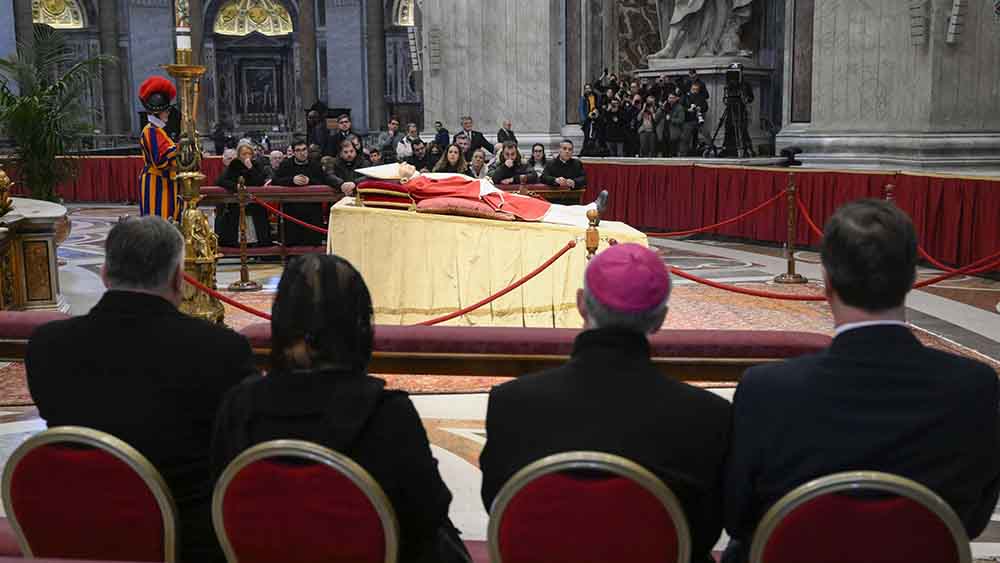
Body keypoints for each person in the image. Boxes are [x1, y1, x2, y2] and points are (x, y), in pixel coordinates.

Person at [721, 199, 1000, 563]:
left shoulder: (767, 390)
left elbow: (738, 516)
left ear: (826, 282)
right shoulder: (974, 388)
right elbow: (971, 520)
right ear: (913, 279)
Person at [479, 243, 730, 563]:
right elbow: (705, 531)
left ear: (581, 304)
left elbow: (499, 508)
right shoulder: (707, 415)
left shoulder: (511, 403)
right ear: (660, 320)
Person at [211, 254, 470, 563]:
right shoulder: (388, 415)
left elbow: (219, 506)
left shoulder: (239, 406)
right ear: (357, 324)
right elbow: (429, 513)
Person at [26, 216, 255, 562]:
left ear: (104, 274)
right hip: (186, 542)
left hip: (78, 536)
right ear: (179, 279)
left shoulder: (47, 346)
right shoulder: (221, 350)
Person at [362, 162, 608, 228]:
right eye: (402, 166)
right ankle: (586, 214)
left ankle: (587, 211)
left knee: (532, 203)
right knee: (532, 208)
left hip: (481, 190)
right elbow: (451, 189)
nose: (405, 163)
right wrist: (480, 187)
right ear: (403, 180)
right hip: (482, 196)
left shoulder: (419, 178)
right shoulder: (417, 185)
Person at [214, 139, 273, 247]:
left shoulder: (256, 164)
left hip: (254, 202)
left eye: (249, 153)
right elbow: (221, 181)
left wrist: (251, 168)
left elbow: (260, 181)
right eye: (244, 154)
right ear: (239, 155)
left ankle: (260, 246)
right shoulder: (234, 164)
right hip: (238, 202)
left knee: (260, 222)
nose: (247, 156)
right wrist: (235, 187)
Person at [137, 76, 179, 219]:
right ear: (157, 112)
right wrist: (180, 149)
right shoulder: (151, 131)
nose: (168, 113)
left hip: (164, 182)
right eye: (166, 110)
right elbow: (160, 160)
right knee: (157, 221)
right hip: (156, 183)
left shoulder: (158, 130)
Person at [272, 140, 328, 246]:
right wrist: (292, 180)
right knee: (292, 242)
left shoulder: (315, 165)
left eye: (304, 149)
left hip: (312, 208)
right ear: (293, 152)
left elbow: (323, 181)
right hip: (291, 209)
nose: (302, 153)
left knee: (312, 242)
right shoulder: (286, 164)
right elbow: (275, 180)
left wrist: (309, 181)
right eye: (298, 150)